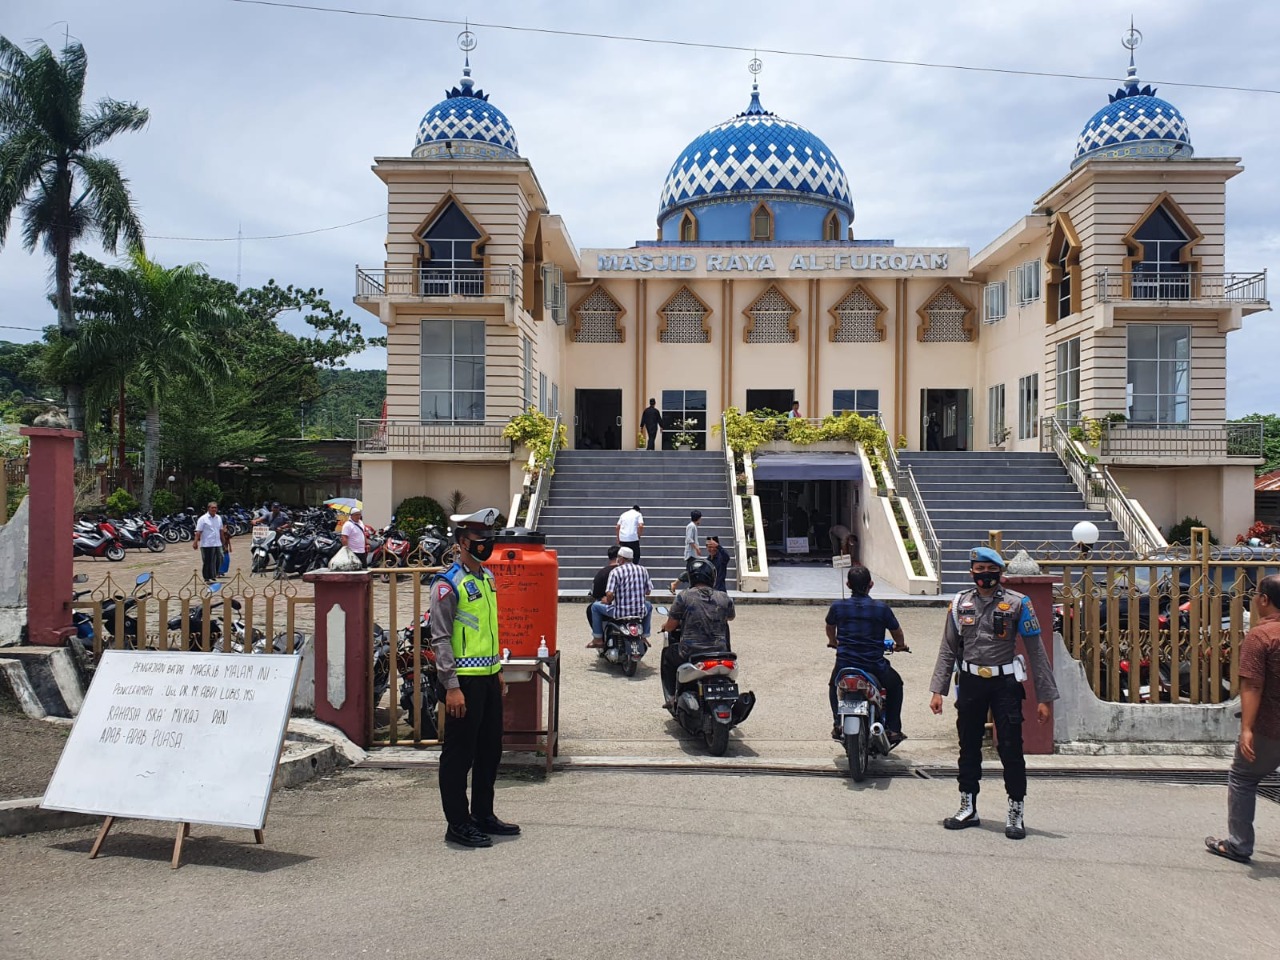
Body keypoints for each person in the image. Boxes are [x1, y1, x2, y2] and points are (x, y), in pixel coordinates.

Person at [928, 546, 1058, 840]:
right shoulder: (960, 603)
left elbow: (1037, 653)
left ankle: (1015, 811)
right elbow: (948, 648)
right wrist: (939, 690)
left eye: (990, 570)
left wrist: (1044, 698)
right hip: (972, 683)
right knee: (968, 746)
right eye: (979, 569)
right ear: (971, 571)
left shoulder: (1018, 603)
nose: (984, 575)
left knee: (1011, 748)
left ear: (1000, 572)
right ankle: (967, 806)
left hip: (1005, 684)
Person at [428, 507, 518, 848]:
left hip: (488, 677)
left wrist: (498, 672)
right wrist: (451, 687)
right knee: (459, 755)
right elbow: (440, 638)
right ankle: (458, 822)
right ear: (463, 542)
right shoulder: (447, 583)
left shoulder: (487, 578)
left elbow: (489, 631)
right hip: (462, 682)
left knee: (489, 751)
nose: (486, 544)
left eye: (489, 539)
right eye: (480, 539)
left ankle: (483, 814)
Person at [1205, 574, 1280, 864]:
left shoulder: (1261, 636)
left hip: (1269, 726)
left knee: (1243, 778)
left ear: (1264, 600)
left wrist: (1246, 728)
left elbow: (1252, 685)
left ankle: (1238, 844)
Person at [826, 565, 908, 744]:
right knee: (896, 685)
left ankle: (837, 723)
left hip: (845, 664)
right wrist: (900, 645)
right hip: (874, 665)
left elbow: (830, 627)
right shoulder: (881, 608)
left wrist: (833, 641)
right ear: (871, 584)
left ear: (848, 584)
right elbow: (897, 632)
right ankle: (893, 729)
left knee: (833, 685)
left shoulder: (838, 606)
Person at [659, 558, 735, 706]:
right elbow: (730, 617)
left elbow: (670, 626)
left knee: (668, 656)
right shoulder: (724, 597)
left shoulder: (684, 596)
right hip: (720, 652)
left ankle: (671, 697)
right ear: (712, 577)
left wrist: (664, 626)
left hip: (690, 652)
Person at [587, 546, 653, 647]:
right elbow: (648, 591)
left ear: (621, 559)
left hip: (620, 612)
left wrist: (608, 600)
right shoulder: (643, 570)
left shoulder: (616, 571)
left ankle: (598, 638)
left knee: (595, 607)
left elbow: (609, 593)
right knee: (649, 605)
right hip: (639, 611)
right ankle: (644, 636)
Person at [587, 545, 621, 629]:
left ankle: (598, 636)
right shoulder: (628, 571)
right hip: (633, 607)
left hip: (612, 606)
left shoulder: (602, 573)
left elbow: (596, 594)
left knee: (592, 608)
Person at [192, 502, 223, 583]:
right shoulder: (203, 519)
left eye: (215, 508)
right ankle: (206, 577)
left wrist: (223, 541)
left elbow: (221, 530)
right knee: (208, 561)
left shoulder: (218, 518)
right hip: (207, 543)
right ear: (208, 508)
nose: (214, 509)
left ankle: (214, 574)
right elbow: (198, 531)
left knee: (219, 558)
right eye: (212, 508)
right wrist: (195, 542)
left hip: (217, 542)